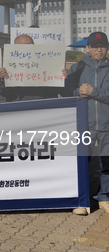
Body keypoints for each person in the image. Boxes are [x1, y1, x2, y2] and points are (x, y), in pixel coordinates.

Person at [65, 32, 109, 215]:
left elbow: (97, 93)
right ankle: (82, 200)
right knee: (82, 163)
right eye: (95, 46)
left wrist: (93, 91)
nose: (99, 49)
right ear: (88, 48)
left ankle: (105, 197)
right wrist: (77, 91)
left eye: (102, 45)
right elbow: (67, 92)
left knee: (107, 163)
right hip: (84, 125)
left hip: (107, 126)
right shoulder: (78, 67)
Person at [0, 34, 64, 102]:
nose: (30, 45)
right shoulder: (9, 65)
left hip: (42, 105)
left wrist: (60, 77)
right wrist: (2, 80)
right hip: (19, 107)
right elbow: (4, 93)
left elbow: (54, 91)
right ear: (16, 47)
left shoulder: (45, 62)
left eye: (31, 43)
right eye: (26, 44)